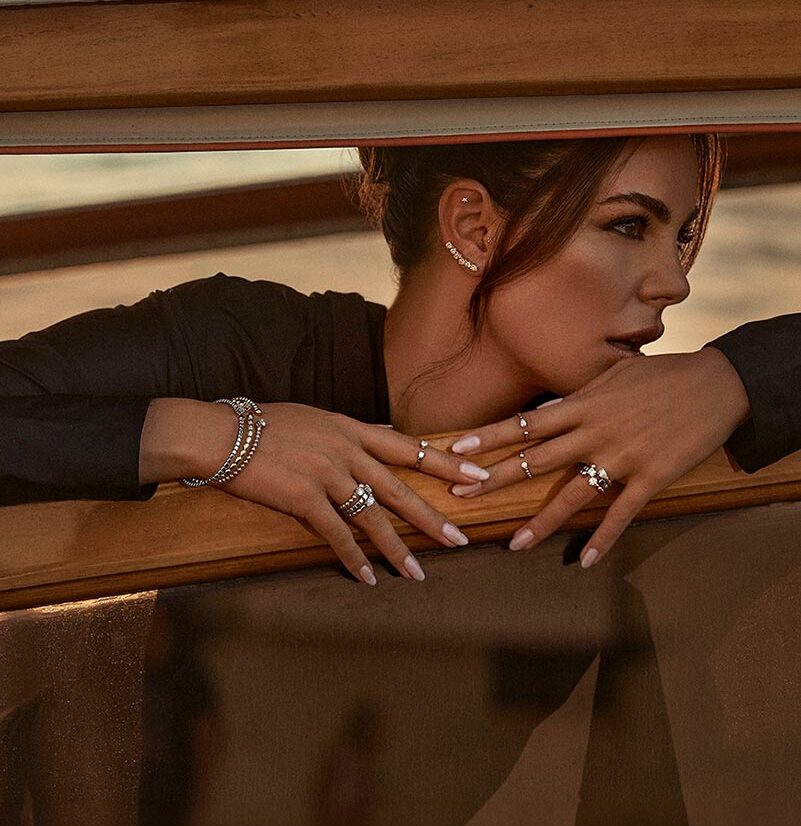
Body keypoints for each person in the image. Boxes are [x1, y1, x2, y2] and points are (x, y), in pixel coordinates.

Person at [2, 132, 792, 585]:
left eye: (682, 236)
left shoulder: (654, 424)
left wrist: (733, 376)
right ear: (475, 227)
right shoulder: (234, 343)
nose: (675, 283)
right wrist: (213, 437)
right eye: (628, 227)